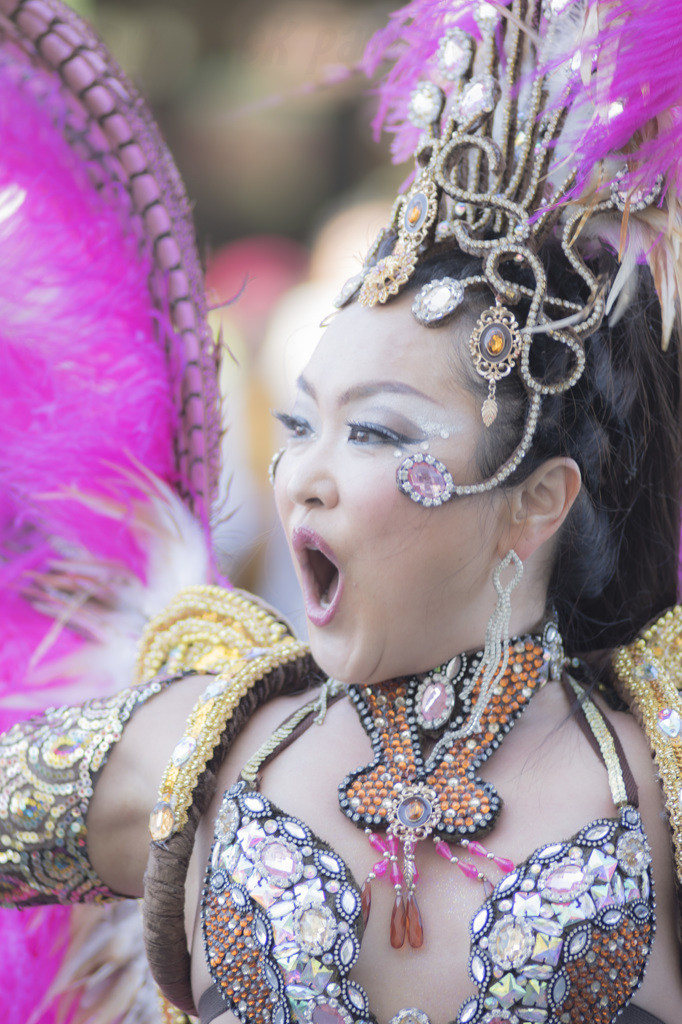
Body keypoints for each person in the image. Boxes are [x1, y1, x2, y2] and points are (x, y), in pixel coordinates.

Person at [2, 2, 682, 1024]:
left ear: (536, 501)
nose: (303, 478)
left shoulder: (659, 779)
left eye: (375, 434)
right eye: (302, 423)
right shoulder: (199, 747)